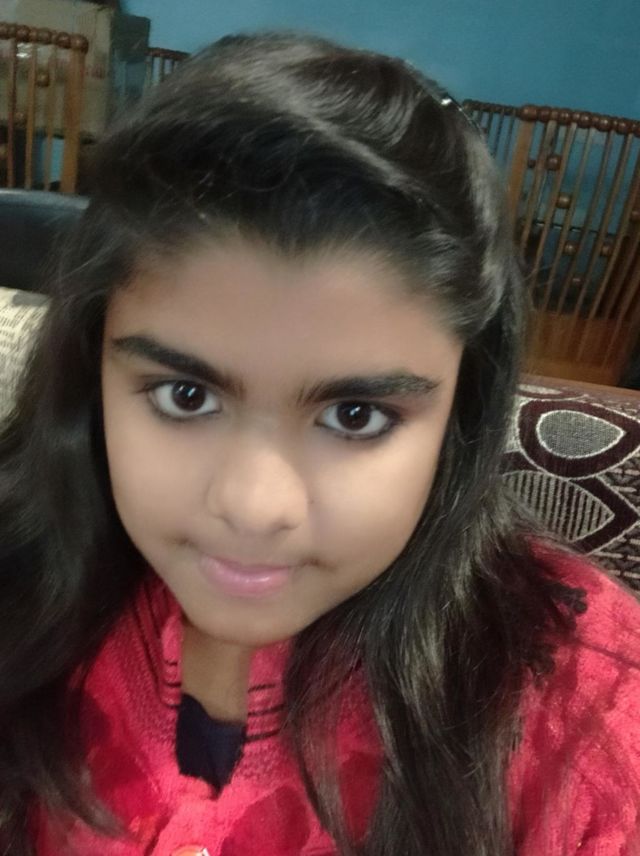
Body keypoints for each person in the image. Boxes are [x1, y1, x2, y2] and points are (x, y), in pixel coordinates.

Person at [0, 31, 639, 856]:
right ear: (93, 376)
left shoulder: (588, 723)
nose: (255, 507)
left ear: (461, 410)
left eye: (355, 415)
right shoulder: (23, 579)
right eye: (186, 396)